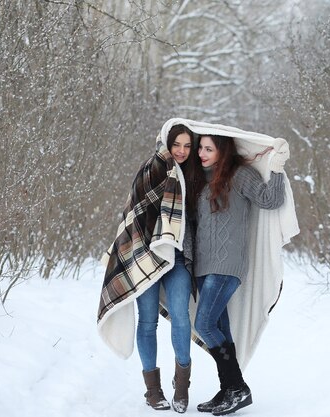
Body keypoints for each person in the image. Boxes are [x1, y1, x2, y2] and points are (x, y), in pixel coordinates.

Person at [96, 122, 200, 414]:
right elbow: (135, 213)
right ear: (167, 142)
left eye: (186, 146)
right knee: (147, 321)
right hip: (145, 254)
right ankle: (153, 391)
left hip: (178, 256)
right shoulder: (150, 168)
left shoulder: (192, 174)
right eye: (176, 144)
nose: (181, 151)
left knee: (181, 316)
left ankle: (182, 386)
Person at [191, 134, 289, 416]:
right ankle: (228, 390)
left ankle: (238, 388)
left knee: (205, 324)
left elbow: (271, 200)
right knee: (219, 328)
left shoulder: (240, 174)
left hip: (227, 264)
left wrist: (278, 167)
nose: (201, 153)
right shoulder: (199, 179)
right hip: (203, 266)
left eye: (208, 148)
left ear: (222, 150)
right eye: (200, 148)